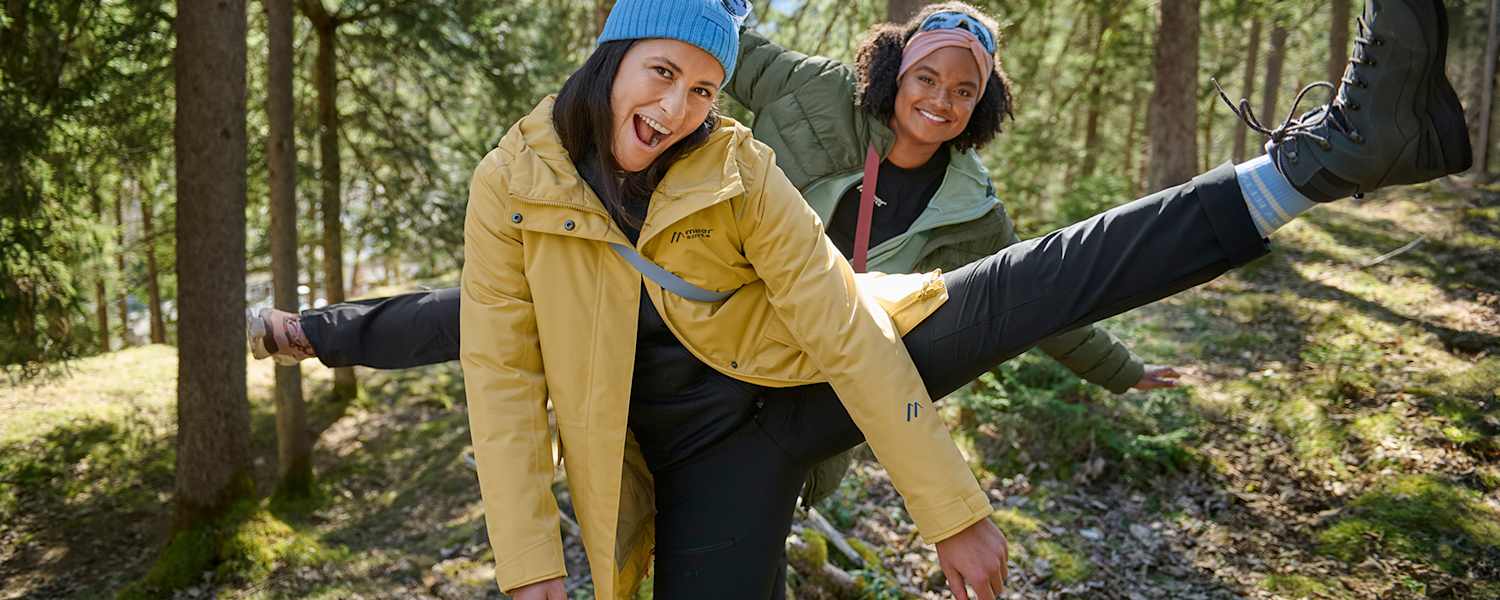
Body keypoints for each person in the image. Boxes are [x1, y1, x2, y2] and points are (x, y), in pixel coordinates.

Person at [277, 0, 1474, 597]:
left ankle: (1329, 157)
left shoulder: (741, 162)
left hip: (808, 378)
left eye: (701, 89)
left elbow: (855, 322)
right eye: (662, 75)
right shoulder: (554, 175)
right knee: (477, 328)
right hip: (682, 454)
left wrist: (952, 506)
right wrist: (531, 561)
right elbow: (489, 361)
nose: (683, 107)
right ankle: (317, 329)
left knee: (1040, 275)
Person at [250, 2, 1180, 510]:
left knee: (742, 499)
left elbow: (1037, 301)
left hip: (798, 370)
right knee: (506, 308)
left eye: (962, 90)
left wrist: (1125, 374)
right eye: (926, 75)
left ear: (981, 108)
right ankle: (318, 332)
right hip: (700, 286)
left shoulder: (973, 210)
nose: (938, 98)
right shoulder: (816, 94)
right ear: (897, 71)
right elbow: (722, 37)